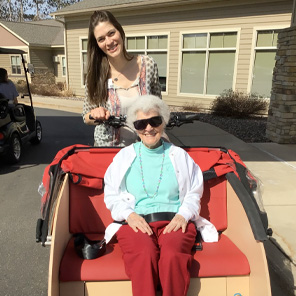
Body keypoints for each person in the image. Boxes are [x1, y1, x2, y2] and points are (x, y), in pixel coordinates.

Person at [104, 95, 218, 296]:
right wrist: (129, 215)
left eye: (154, 121)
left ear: (163, 122)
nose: (148, 128)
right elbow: (111, 194)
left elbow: (194, 191)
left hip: (175, 220)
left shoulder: (179, 155)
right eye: (141, 123)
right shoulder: (123, 157)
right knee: (143, 254)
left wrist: (183, 214)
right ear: (134, 127)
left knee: (173, 255)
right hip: (135, 221)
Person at [82, 10, 162, 147]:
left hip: (144, 148)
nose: (108, 42)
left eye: (111, 33)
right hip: (108, 151)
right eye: (101, 39)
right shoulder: (95, 74)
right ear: (97, 44)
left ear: (120, 31)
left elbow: (158, 105)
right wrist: (95, 114)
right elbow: (86, 116)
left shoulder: (147, 65)